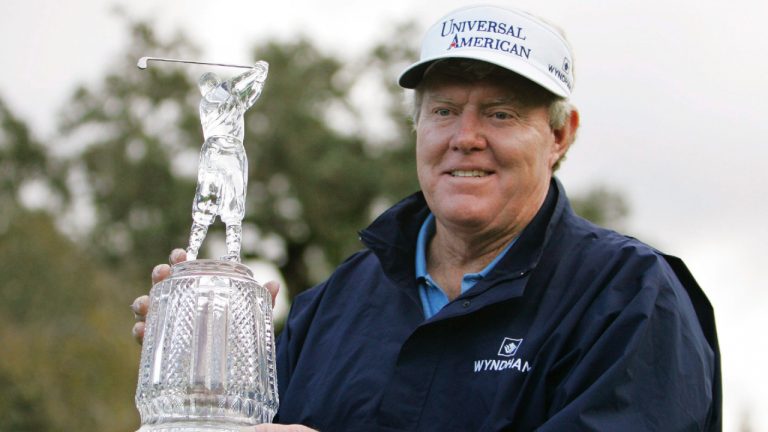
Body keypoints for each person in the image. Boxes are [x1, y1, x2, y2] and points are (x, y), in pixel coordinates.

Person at [133, 5, 720, 431]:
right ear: (417, 127)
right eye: (443, 110)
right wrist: (213, 375)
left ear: (560, 135)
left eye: (501, 112)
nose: (466, 138)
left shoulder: (630, 300)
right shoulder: (329, 309)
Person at [187, 62, 268, 261]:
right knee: (211, 203)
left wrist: (260, 77)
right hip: (222, 151)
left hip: (228, 151)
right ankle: (194, 252)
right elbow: (236, 85)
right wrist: (256, 71)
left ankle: (228, 254)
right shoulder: (212, 100)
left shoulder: (233, 102)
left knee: (230, 205)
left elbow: (250, 95)